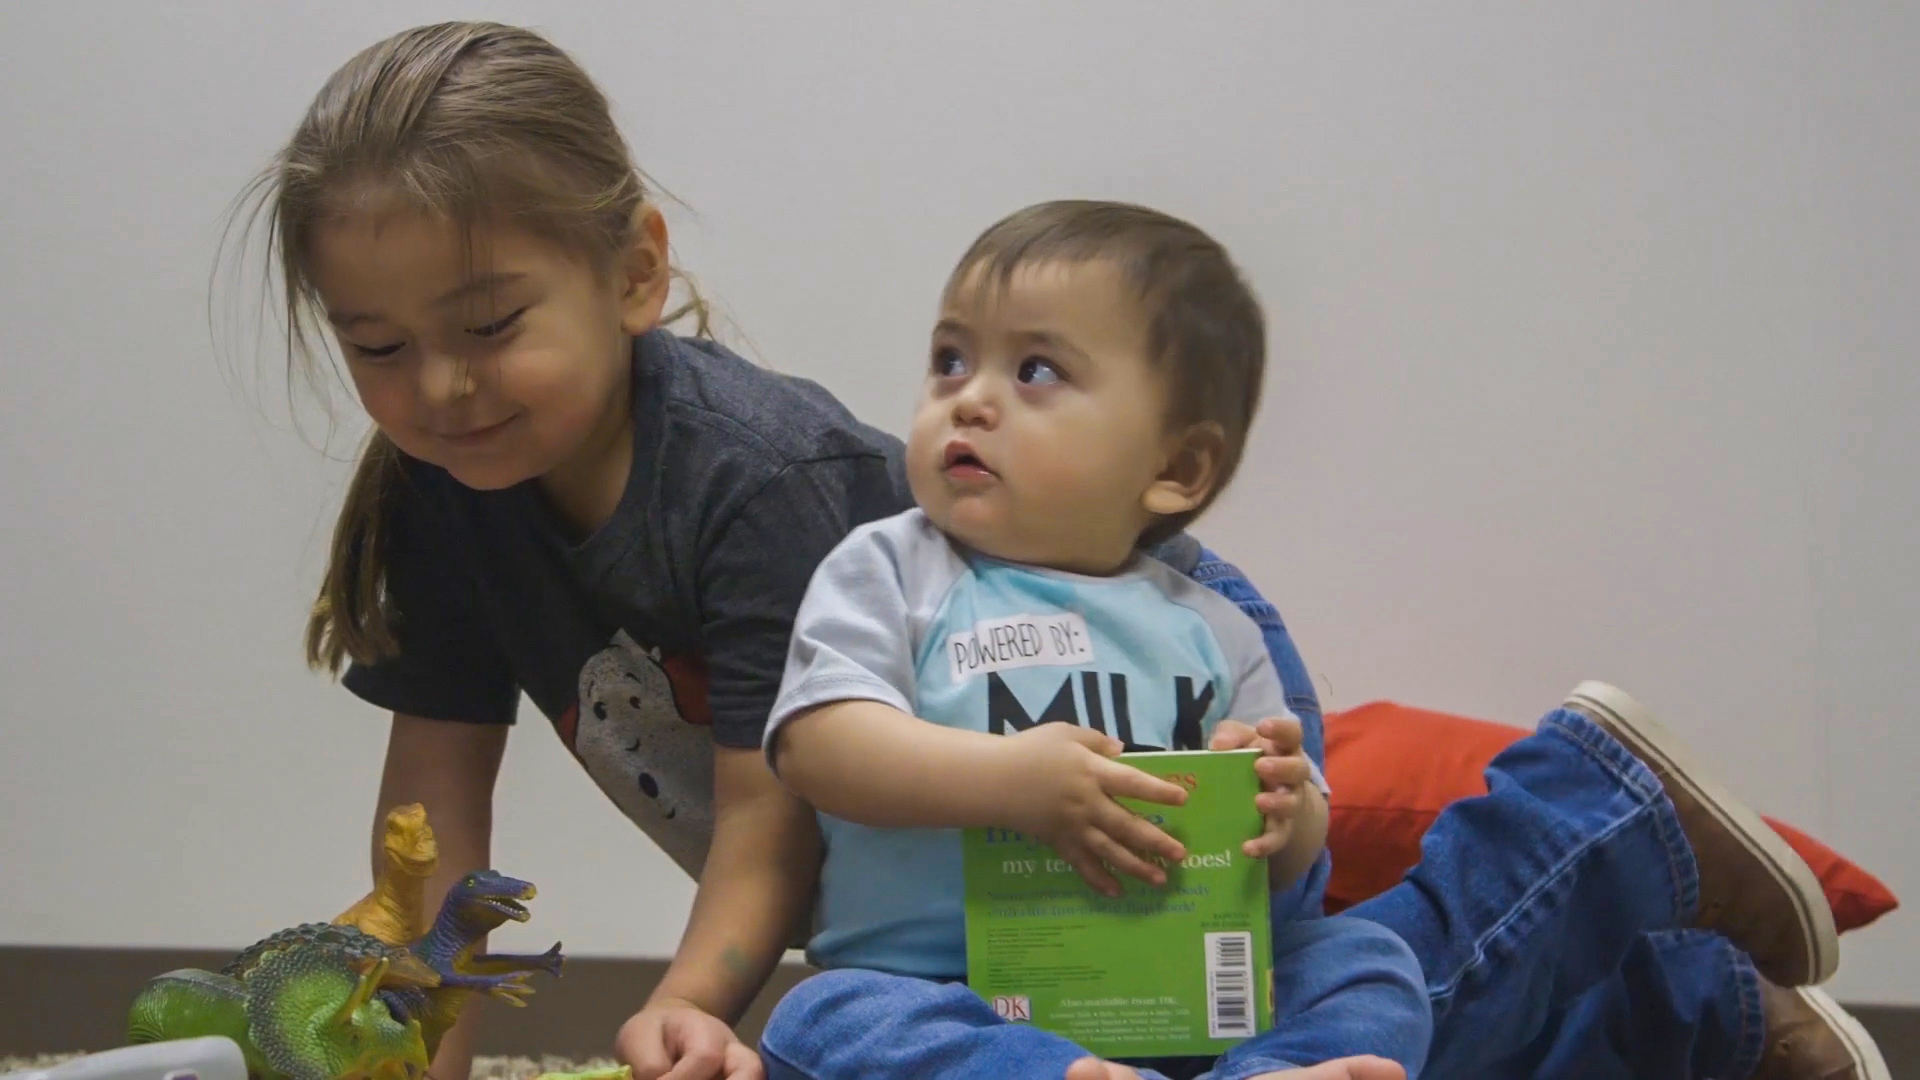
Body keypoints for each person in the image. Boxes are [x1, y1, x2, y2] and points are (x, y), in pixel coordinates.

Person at [239, 19, 1886, 1080]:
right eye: (377, 347)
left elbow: (777, 814)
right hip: (973, 855)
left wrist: (695, 1014)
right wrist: (411, 1049)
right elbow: (430, 833)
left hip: (1135, 746)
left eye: (485, 325)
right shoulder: (442, 495)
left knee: (1342, 972)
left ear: (634, 269)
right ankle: (1696, 1015)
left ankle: (1594, 820)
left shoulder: (759, 485)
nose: (438, 389)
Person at [754, 201, 1433, 1080]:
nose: (971, 397)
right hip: (942, 991)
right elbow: (819, 744)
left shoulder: (1216, 628)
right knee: (822, 1018)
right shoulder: (890, 567)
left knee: (1365, 963)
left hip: (1177, 984)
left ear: (1175, 469)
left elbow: (1286, 872)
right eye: (949, 360)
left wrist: (1284, 810)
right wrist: (1013, 783)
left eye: (1035, 370)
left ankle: (1272, 1071)